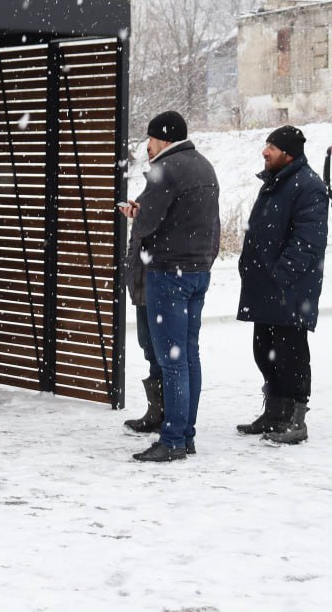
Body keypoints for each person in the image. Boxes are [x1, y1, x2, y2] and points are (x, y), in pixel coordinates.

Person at [120, 111, 221, 463]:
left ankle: (174, 439)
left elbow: (149, 221)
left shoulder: (167, 168)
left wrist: (136, 213)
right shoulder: (204, 167)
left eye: (149, 140)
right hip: (197, 272)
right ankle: (186, 433)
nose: (147, 147)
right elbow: (205, 222)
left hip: (168, 273)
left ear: (161, 139)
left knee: (171, 360)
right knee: (188, 355)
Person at [236, 125, 329, 445]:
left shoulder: (308, 186)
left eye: (271, 148)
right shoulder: (276, 182)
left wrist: (280, 276)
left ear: (288, 154)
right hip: (265, 287)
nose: (265, 152)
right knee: (264, 351)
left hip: (288, 289)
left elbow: (308, 241)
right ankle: (275, 413)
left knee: (292, 356)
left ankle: (296, 420)